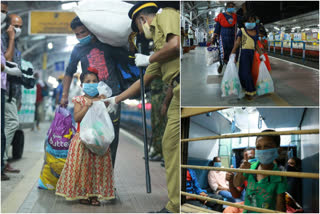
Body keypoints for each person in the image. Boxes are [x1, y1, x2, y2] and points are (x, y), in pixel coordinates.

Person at [106, 2, 180, 212]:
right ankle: (175, 203)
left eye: (138, 29)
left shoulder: (165, 15)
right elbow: (144, 80)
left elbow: (175, 44)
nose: (141, 33)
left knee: (172, 145)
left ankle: (175, 206)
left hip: (182, 89)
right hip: (175, 91)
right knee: (170, 145)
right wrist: (116, 99)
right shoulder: (159, 48)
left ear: (142, 20)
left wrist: (149, 57)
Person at [60, 16, 127, 168]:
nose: (80, 37)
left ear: (91, 28)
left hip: (112, 99)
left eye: (83, 32)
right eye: (77, 34)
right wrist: (64, 96)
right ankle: (92, 176)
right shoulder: (77, 49)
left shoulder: (107, 43)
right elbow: (69, 72)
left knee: (111, 137)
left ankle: (108, 178)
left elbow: (126, 58)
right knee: (91, 137)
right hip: (91, 101)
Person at [55, 68, 115, 206]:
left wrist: (104, 102)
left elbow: (106, 116)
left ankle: (94, 195)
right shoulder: (79, 100)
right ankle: (83, 193)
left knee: (97, 169)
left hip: (99, 140)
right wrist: (86, 107)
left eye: (95, 81)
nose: (92, 83)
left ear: (99, 84)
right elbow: (77, 118)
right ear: (82, 85)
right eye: (88, 81)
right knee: (83, 168)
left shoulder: (102, 99)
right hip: (82, 139)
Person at [233, 129, 287, 212]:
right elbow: (236, 183)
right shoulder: (251, 167)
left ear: (278, 150)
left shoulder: (279, 176)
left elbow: (280, 207)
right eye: (258, 147)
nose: (262, 150)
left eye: (267, 146)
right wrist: (241, 170)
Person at [2, 13, 25, 174]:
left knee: (8, 124)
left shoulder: (17, 44)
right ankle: (3, 159)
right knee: (12, 124)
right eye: (15, 26)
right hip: (5, 90)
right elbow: (5, 61)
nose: (18, 29)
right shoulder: (4, 40)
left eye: (21, 26)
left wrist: (19, 97)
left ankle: (3, 160)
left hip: (12, 93)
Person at [230, 14, 264, 100]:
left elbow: (256, 44)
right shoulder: (241, 31)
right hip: (244, 54)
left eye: (253, 21)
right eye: (249, 21)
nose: (251, 23)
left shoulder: (255, 31)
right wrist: (233, 53)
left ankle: (250, 90)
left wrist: (261, 54)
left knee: (248, 73)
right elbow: (237, 43)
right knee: (243, 73)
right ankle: (246, 88)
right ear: (244, 22)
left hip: (252, 54)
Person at [212, 2, 242, 73]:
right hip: (223, 38)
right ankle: (221, 64)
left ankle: (231, 67)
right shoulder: (221, 16)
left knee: (233, 52)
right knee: (223, 53)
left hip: (233, 38)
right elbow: (217, 27)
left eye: (232, 6)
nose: (231, 8)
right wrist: (214, 37)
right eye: (230, 6)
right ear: (227, 7)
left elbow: (244, 19)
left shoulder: (236, 16)